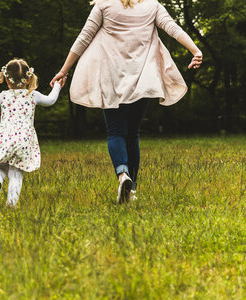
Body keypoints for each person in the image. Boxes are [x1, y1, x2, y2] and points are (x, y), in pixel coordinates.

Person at [50, 0, 202, 204]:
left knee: (115, 131)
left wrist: (64, 70)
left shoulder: (104, 6)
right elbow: (172, 28)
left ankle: (123, 175)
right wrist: (195, 50)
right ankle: (132, 188)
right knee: (132, 133)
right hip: (143, 79)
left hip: (111, 78)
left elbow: (83, 38)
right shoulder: (152, 6)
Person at [0, 59, 62, 206]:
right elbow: (51, 100)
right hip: (23, 139)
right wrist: (58, 85)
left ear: (7, 81)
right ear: (29, 79)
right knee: (16, 172)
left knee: (0, 166)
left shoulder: (4, 95)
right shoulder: (33, 95)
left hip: (3, 137)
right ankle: (11, 204)